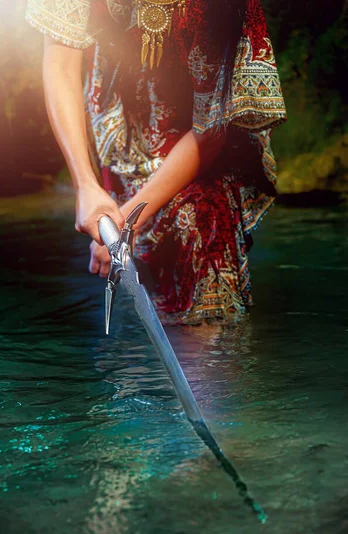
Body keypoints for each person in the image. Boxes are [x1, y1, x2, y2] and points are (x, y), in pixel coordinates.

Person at [25, 0, 286, 325]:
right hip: (121, 139)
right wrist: (85, 185)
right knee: (143, 304)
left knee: (203, 252)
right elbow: (61, 64)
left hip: (203, 155)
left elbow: (210, 130)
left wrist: (128, 220)